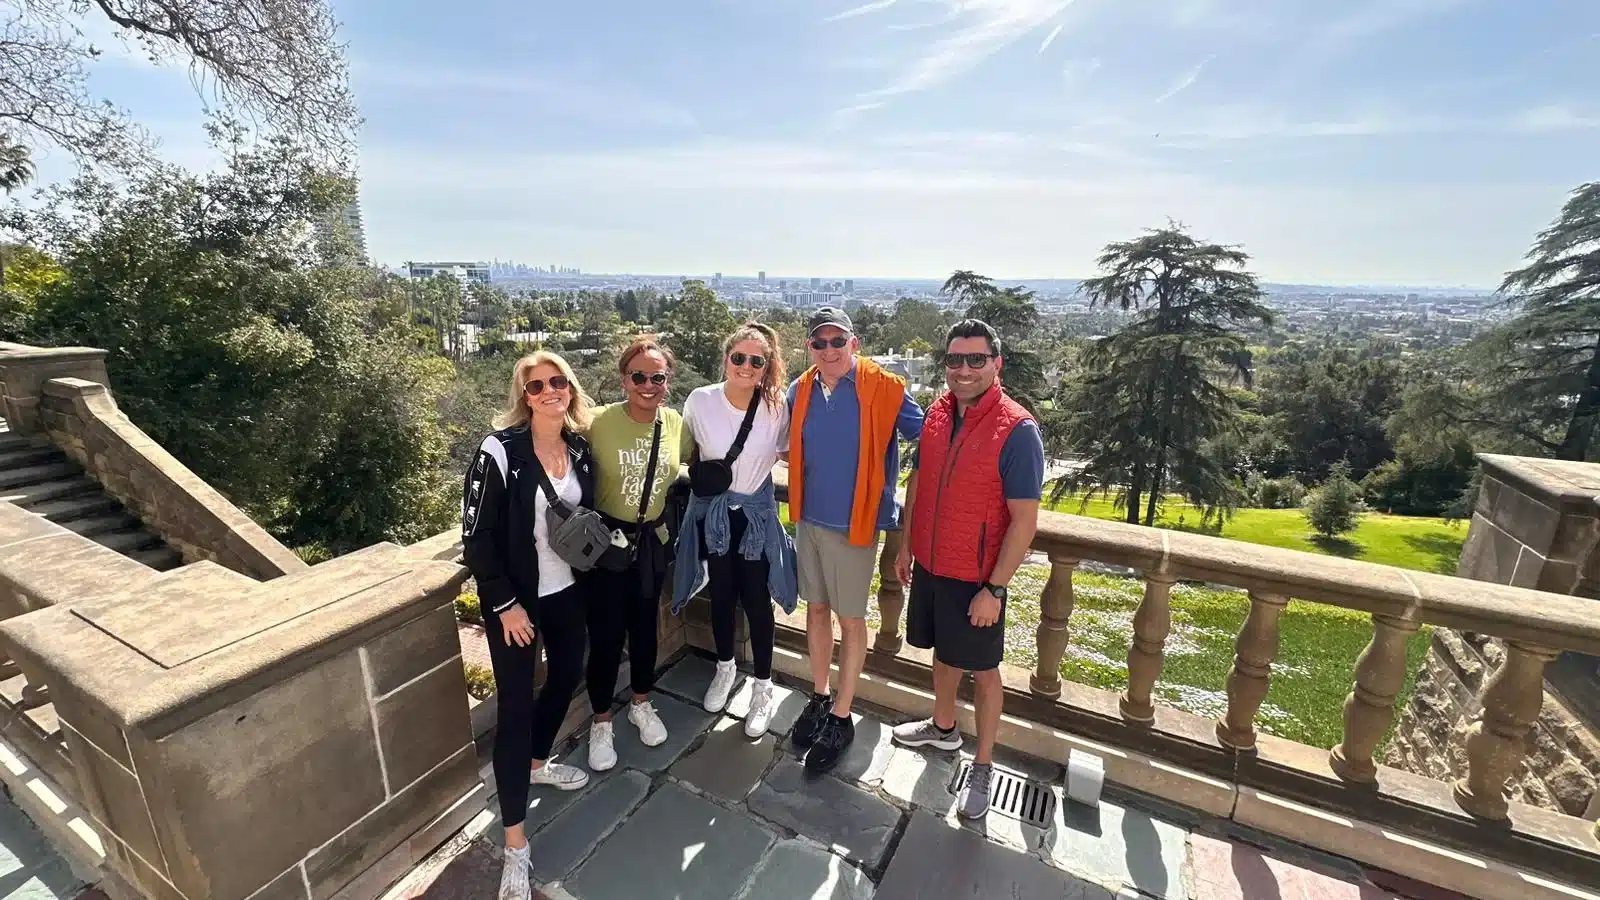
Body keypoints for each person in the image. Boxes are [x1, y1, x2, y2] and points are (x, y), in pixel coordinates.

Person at [892, 319, 1044, 820]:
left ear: (997, 363)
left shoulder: (1017, 429)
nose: (963, 369)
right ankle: (943, 729)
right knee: (942, 653)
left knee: (984, 671)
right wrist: (907, 546)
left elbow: (1024, 522)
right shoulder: (937, 414)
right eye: (955, 359)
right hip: (933, 563)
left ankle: (982, 766)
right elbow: (918, 482)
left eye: (976, 359)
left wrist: (994, 589)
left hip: (977, 576)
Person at [460, 351, 599, 900]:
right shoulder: (499, 451)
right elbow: (476, 536)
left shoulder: (579, 449)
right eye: (536, 385)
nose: (548, 391)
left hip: (567, 590)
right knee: (515, 710)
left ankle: (538, 762)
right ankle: (515, 844)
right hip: (517, 602)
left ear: (570, 387)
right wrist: (504, 604)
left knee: (567, 675)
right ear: (524, 395)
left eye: (557, 381)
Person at [785, 307, 924, 773]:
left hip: (855, 525)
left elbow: (929, 435)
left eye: (837, 341)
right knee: (816, 611)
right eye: (819, 342)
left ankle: (842, 716)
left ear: (854, 343)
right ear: (810, 347)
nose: (829, 350)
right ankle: (820, 695)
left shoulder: (884, 387)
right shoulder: (801, 389)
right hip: (808, 519)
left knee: (850, 621)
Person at [673, 322, 798, 738]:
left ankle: (763, 685)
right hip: (716, 514)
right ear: (726, 359)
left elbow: (786, 452)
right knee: (722, 595)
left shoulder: (776, 406)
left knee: (757, 601)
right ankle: (725, 668)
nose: (746, 366)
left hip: (755, 515)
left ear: (766, 366)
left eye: (756, 361)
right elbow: (684, 450)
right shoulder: (700, 400)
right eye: (738, 358)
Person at [582, 337, 695, 771]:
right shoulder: (597, 421)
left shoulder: (675, 424)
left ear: (668, 380)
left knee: (646, 629)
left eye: (657, 377)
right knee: (606, 637)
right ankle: (601, 721)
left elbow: (703, 456)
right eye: (639, 377)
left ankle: (641, 703)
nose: (648, 385)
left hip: (651, 543)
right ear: (624, 379)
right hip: (607, 545)